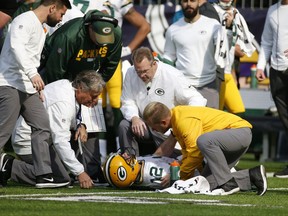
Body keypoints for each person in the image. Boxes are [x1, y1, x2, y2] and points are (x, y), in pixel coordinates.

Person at [37, 9, 122, 182]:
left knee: (91, 126)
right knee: (61, 124)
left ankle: (90, 170)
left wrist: (94, 88)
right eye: (99, 38)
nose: (102, 44)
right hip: (61, 80)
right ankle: (61, 165)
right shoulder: (69, 36)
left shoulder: (116, 34)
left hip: (88, 82)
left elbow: (111, 65)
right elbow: (55, 72)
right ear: (89, 28)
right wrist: (72, 101)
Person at [0, 0, 72, 188]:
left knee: (42, 126)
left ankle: (43, 175)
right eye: (61, 14)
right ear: (52, 8)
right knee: (3, 132)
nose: (61, 19)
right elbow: (16, 46)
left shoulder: (40, 28)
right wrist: (33, 75)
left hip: (27, 87)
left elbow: (30, 58)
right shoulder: (24, 19)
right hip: (9, 84)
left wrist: (35, 87)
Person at [77, 0, 151, 162]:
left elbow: (145, 26)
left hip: (112, 61)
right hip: (90, 59)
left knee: (120, 108)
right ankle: (98, 161)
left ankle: (122, 157)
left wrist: (128, 49)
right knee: (94, 110)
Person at [142, 102, 268, 196]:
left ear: (164, 122)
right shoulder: (177, 119)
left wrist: (180, 176)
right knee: (204, 183)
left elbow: (195, 152)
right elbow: (188, 154)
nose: (153, 131)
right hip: (231, 138)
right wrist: (185, 179)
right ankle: (252, 175)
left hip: (239, 133)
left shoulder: (182, 121)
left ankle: (228, 183)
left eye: (153, 127)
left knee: (202, 141)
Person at [10, 70, 105, 189]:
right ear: (81, 87)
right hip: (27, 141)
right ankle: (9, 166)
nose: (95, 101)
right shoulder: (64, 102)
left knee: (63, 173)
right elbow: (60, 141)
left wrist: (81, 125)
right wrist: (80, 172)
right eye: (94, 95)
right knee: (60, 179)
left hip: (36, 138)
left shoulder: (67, 86)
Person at [119, 47, 207, 157]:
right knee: (124, 125)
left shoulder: (172, 74)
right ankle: (130, 163)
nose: (142, 75)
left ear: (154, 63)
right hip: (144, 124)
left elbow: (196, 99)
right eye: (138, 71)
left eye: (145, 71)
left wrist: (181, 122)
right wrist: (134, 117)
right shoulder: (130, 72)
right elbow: (127, 100)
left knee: (173, 159)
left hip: (167, 127)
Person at [163, 0, 228, 109]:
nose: (189, 4)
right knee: (186, 124)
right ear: (180, 3)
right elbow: (168, 57)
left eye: (192, 0)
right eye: (185, 1)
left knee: (210, 125)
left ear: (199, 2)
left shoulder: (213, 25)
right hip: (183, 87)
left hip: (209, 85)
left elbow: (224, 47)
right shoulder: (173, 29)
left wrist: (229, 28)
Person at [256, 0, 288, 178]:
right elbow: (266, 41)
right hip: (276, 71)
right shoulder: (272, 10)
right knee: (285, 119)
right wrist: (261, 66)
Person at [213, 0, 255, 114]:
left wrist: (233, 72)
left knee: (238, 109)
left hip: (228, 70)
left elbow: (240, 50)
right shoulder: (211, 11)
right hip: (215, 70)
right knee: (217, 111)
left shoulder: (236, 14)